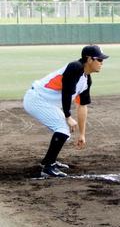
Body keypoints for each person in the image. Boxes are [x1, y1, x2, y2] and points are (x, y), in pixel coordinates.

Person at [23, 45, 109, 177]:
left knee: (64, 129)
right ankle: (48, 167)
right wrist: (68, 116)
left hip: (45, 102)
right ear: (89, 59)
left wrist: (82, 134)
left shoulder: (86, 80)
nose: (102, 63)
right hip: (36, 99)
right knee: (62, 128)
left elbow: (82, 106)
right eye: (99, 60)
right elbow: (67, 93)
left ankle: (47, 161)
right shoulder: (75, 67)